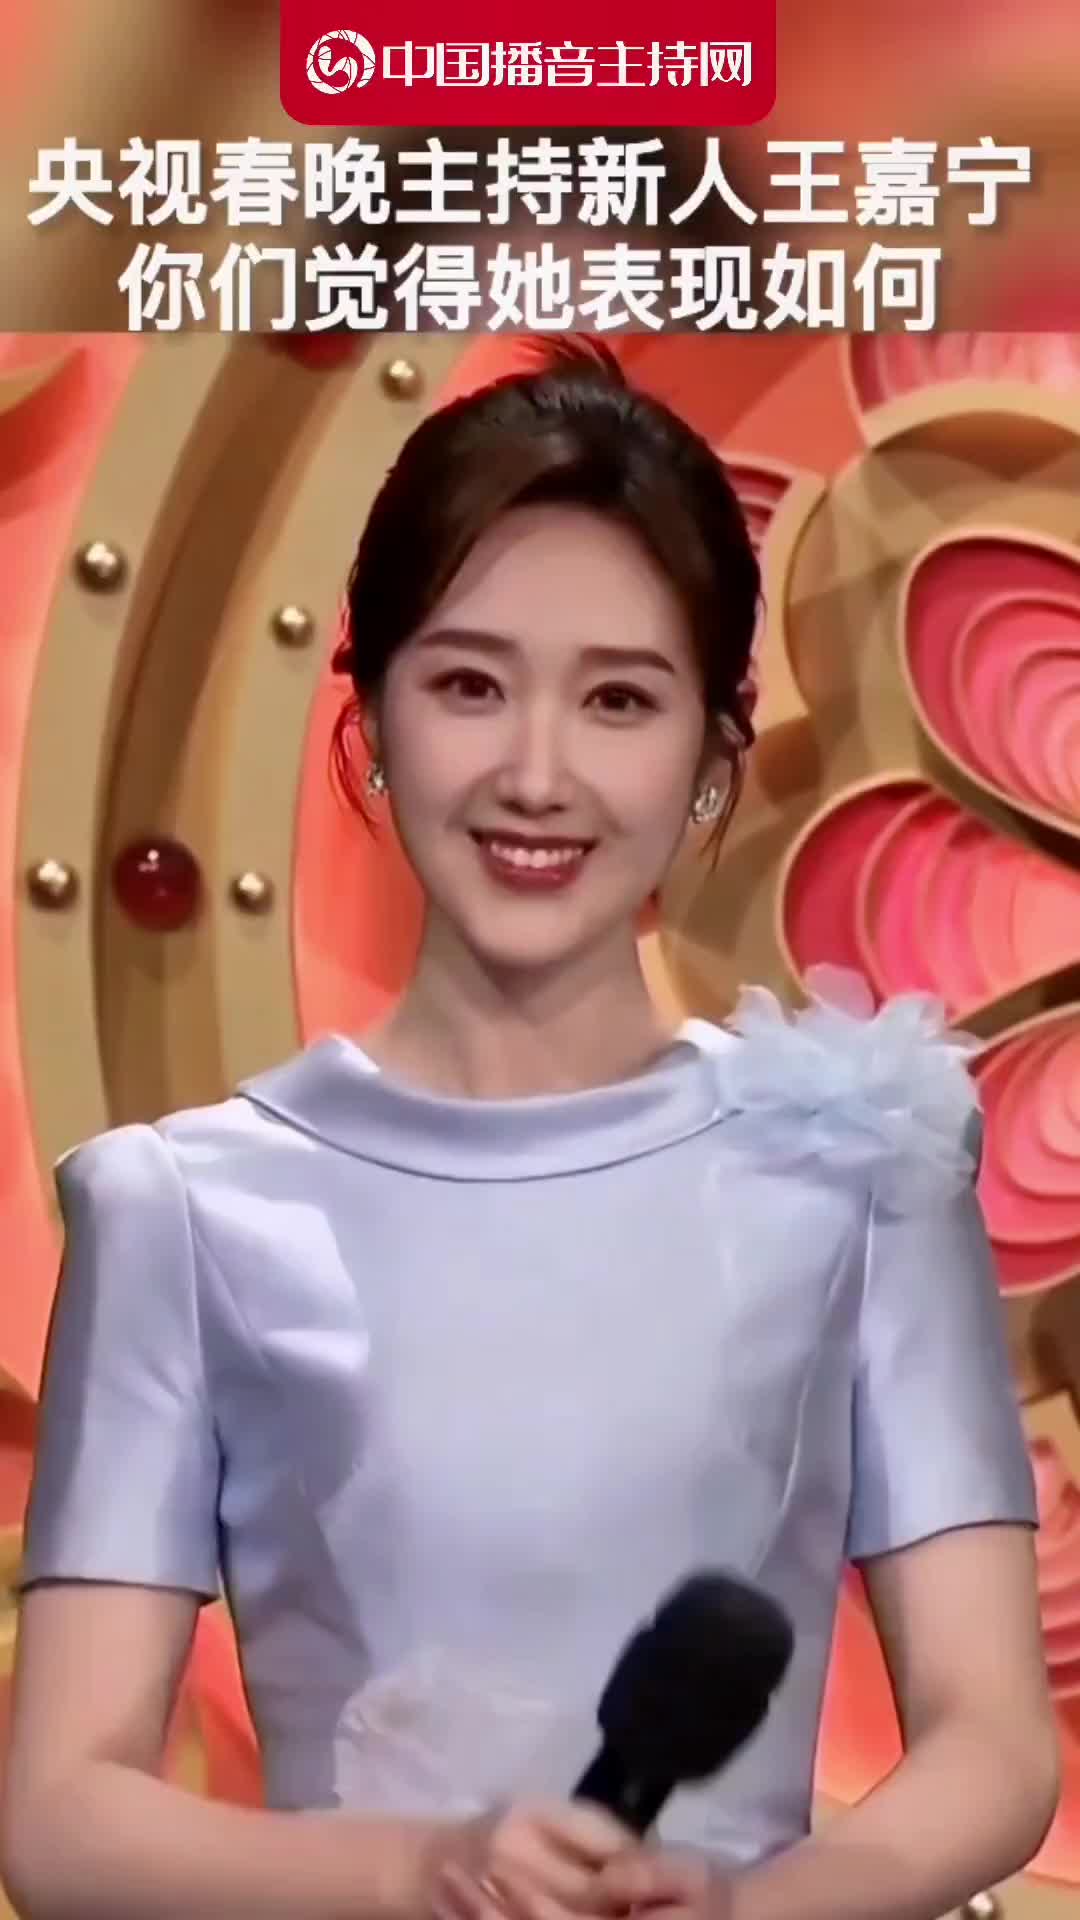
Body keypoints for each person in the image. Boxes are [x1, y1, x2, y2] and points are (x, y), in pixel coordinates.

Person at [1, 340, 1059, 1920]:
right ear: (371, 717)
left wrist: (761, 1912)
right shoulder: (187, 1210)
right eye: (470, 686)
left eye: (619, 700)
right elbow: (61, 1818)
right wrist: (419, 1871)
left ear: (712, 760)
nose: (538, 775)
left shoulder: (857, 1176)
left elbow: (993, 1744)